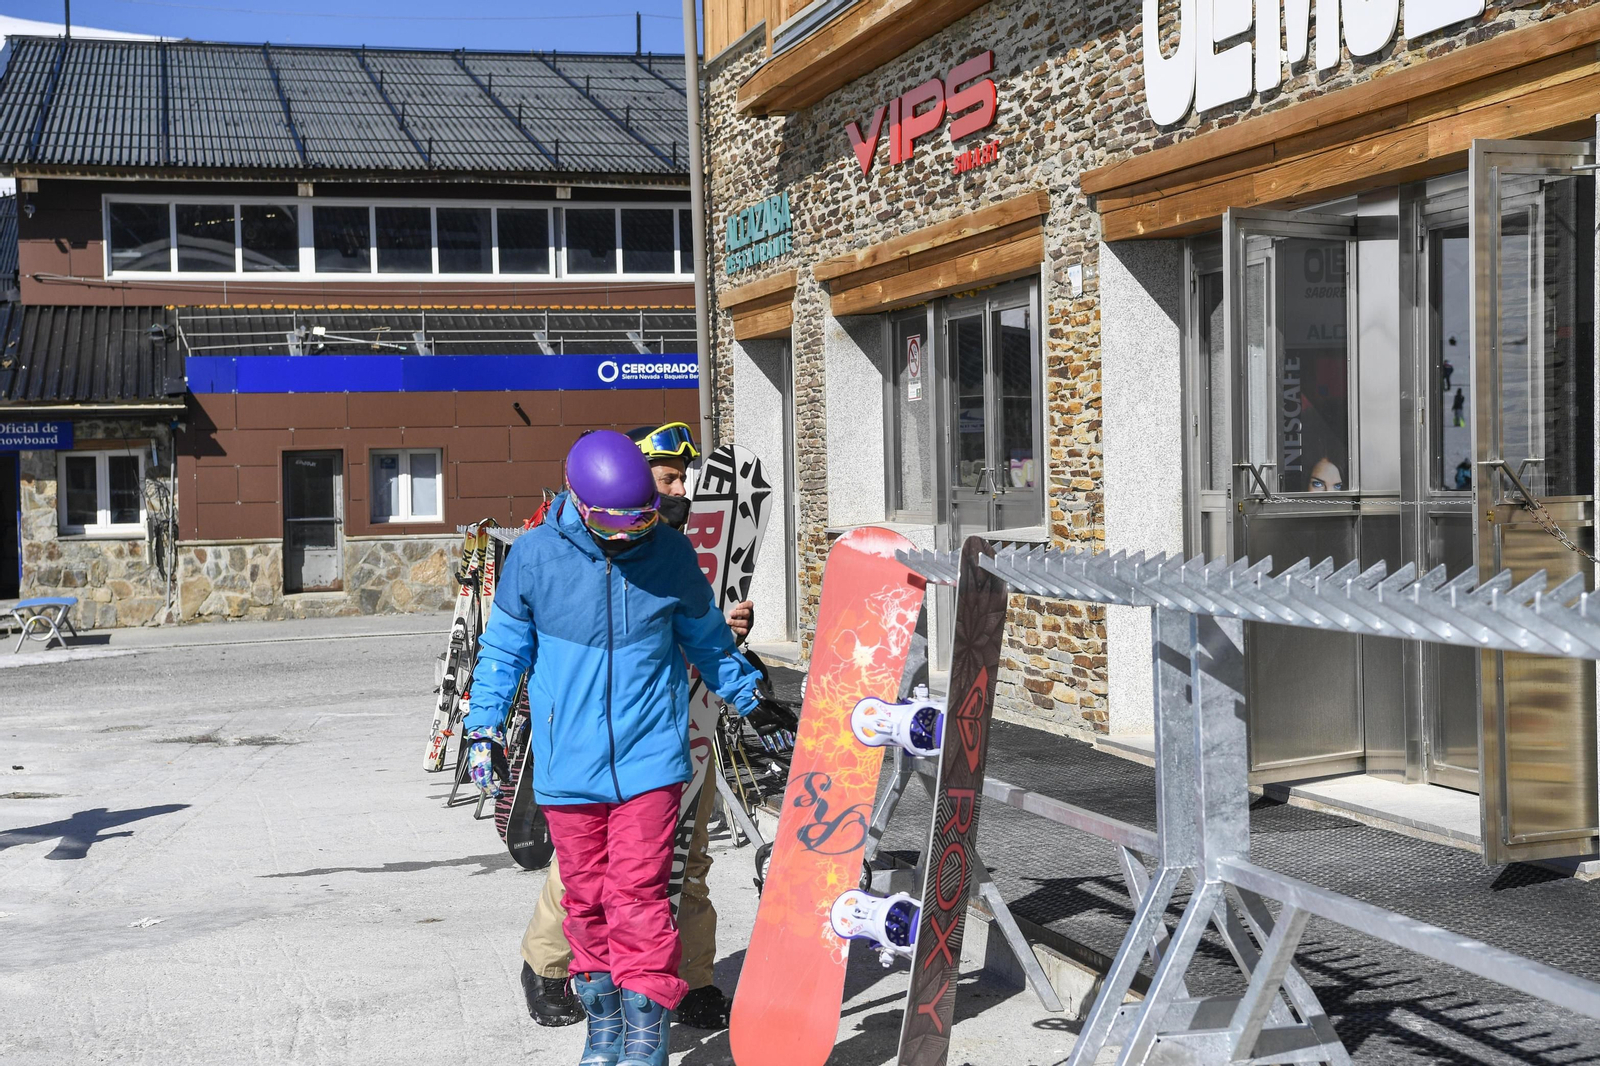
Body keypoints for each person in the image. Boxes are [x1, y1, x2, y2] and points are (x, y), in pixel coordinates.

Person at [461, 430, 772, 1066]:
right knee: (585, 898)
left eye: (643, 520)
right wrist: (482, 726)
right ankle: (602, 1023)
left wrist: (751, 698)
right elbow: (502, 650)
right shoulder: (536, 558)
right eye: (619, 521)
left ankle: (643, 1033)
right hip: (567, 762)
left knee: (639, 896)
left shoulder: (670, 556)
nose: (632, 534)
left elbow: (709, 640)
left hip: (649, 758)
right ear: (578, 499)